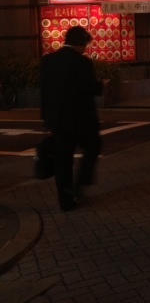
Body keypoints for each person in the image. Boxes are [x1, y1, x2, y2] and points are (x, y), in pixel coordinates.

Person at [40, 26, 104, 211]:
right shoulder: (82, 62)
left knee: (63, 159)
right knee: (93, 146)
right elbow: (90, 88)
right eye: (85, 45)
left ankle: (65, 201)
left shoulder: (49, 61)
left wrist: (46, 118)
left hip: (58, 119)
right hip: (82, 119)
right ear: (80, 44)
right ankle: (80, 183)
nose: (85, 49)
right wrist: (102, 85)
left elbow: (45, 91)